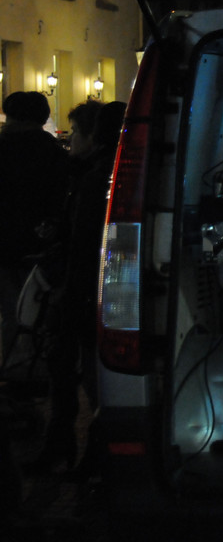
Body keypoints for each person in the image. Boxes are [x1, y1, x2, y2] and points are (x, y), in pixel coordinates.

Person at [32, 100, 126, 475]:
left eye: (75, 133)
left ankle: (73, 447)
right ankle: (82, 449)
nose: (71, 140)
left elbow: (84, 244)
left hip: (83, 288)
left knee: (79, 369)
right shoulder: (100, 173)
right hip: (94, 287)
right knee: (86, 370)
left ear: (93, 135)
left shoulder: (92, 177)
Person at [0, 92, 69, 364]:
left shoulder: (3, 147)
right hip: (41, 243)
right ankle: (37, 365)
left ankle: (15, 366)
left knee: (11, 309)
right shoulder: (53, 151)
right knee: (38, 307)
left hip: (4, 242)